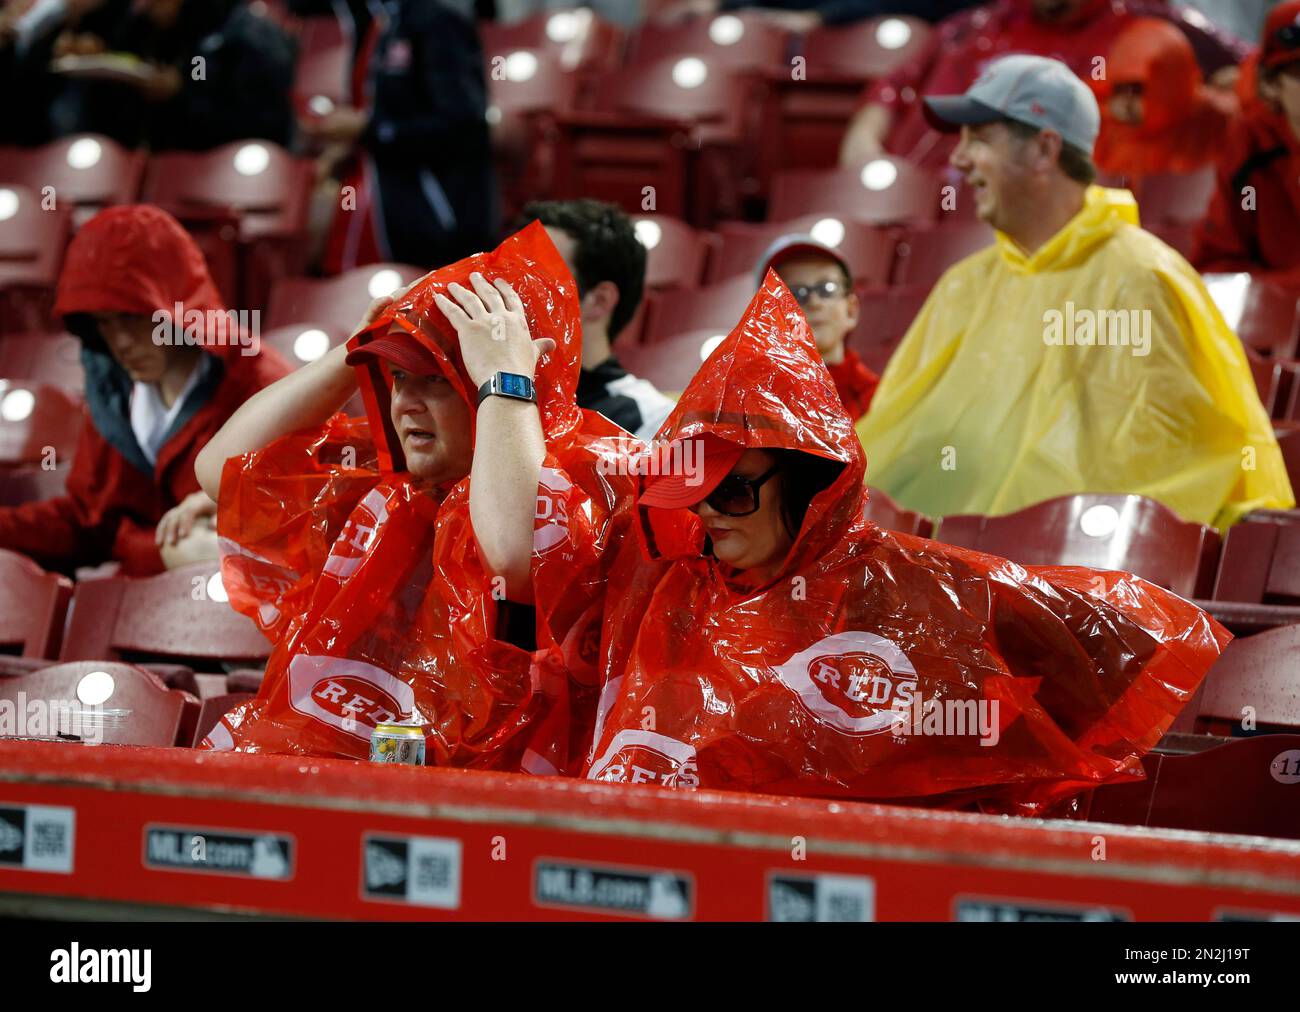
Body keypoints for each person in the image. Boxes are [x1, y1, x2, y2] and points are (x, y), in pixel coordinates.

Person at [574, 273, 1229, 813]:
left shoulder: (917, 587)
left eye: (736, 489)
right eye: (696, 491)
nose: (711, 513)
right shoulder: (676, 592)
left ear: (808, 483)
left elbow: (1133, 644)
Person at [195, 223, 632, 773]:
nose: (408, 404)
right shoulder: (385, 490)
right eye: (400, 379)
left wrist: (504, 380)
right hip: (322, 785)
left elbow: (514, 555)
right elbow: (221, 470)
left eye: (439, 381)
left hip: (488, 817)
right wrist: (353, 349)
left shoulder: (585, 478)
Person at [854, 55, 1293, 528]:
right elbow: (895, 443)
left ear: (1045, 150)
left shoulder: (1143, 279)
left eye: (979, 139)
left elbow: (1171, 486)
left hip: (1068, 584)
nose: (958, 160)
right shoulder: (964, 284)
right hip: (942, 575)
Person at [0, 204, 290, 576]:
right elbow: (90, 520)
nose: (120, 341)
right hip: (137, 613)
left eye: (133, 319)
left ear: (178, 307)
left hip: (233, 621)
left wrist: (140, 548)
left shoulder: (262, 386)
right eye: (103, 323)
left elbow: (281, 536)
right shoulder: (114, 388)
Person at [839, 0, 1247, 172]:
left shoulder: (1154, 25)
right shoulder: (974, 27)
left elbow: (1258, 77)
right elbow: (892, 87)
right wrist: (865, 147)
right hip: (930, 206)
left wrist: (1217, 93)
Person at [314, 0, 498, 273]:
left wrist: (369, 129)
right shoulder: (382, 21)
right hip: (387, 199)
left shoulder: (440, 24)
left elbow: (464, 126)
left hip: (438, 217)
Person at [49, 0, 296, 150]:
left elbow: (260, 121)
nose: (147, 5)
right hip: (163, 169)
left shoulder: (240, 35)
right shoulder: (147, 29)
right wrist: (99, 56)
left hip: (230, 167)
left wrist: (181, 92)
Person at [524, 200, 675, 441]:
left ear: (599, 301)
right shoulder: (486, 394)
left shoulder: (650, 422)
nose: (514, 289)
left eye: (537, 276)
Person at [1193, 1, 1300, 285]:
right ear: (1270, 85)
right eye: (1299, 72)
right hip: (1275, 320)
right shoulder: (1250, 146)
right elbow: (1218, 260)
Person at [1094, 17, 1237, 183]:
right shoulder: (1095, 113)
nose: (1125, 103)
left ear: (1171, 88)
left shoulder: (1218, 121)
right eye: (1120, 88)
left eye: (1138, 90)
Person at [754, 235, 877, 420]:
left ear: (851, 310)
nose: (814, 302)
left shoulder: (880, 399)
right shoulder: (744, 402)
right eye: (794, 294)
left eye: (827, 288)